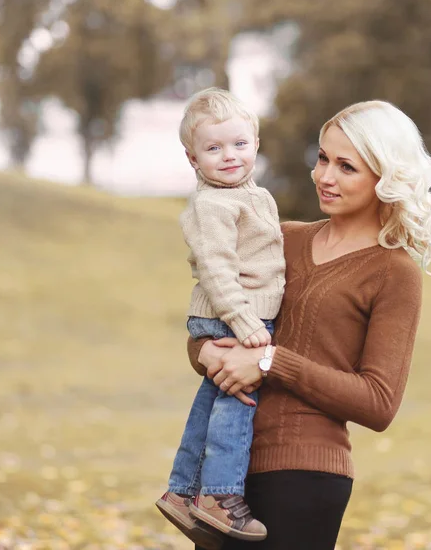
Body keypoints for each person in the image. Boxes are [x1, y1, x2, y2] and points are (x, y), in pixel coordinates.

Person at [187, 100, 431, 550]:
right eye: (323, 157)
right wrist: (203, 352)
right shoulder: (280, 236)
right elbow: (211, 327)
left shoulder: (393, 271)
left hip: (305, 479)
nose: (325, 176)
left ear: (384, 178)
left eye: (346, 166)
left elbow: (379, 402)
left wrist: (272, 361)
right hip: (224, 478)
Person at [155, 88, 286, 549]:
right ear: (193, 158)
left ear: (256, 143)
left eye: (239, 144)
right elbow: (216, 269)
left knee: (212, 402)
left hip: (237, 314)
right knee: (237, 406)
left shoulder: (252, 196)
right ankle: (220, 495)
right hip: (235, 315)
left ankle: (181, 489)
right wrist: (246, 323)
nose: (229, 156)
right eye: (213, 149)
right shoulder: (213, 205)